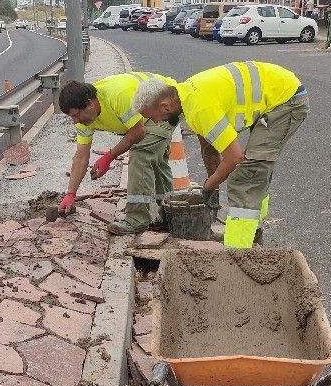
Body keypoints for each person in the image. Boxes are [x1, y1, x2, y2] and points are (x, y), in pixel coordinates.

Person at [132, 61, 309, 248]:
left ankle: (236, 250)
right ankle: (253, 231)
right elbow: (209, 147)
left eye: (152, 117)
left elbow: (234, 157)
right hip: (275, 95)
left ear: (165, 106)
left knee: (246, 176)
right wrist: (214, 188)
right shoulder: (187, 98)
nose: (156, 122)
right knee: (255, 172)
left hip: (286, 100)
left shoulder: (201, 109)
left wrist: (208, 187)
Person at [57, 72, 178, 235]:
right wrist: (71, 194)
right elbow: (81, 156)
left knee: (141, 154)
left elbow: (138, 131)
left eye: (76, 115)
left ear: (90, 103)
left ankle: (136, 220)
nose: (75, 121)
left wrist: (109, 157)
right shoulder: (83, 120)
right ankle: (169, 215)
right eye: (72, 117)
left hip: (165, 104)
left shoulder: (117, 96)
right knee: (156, 161)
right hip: (149, 111)